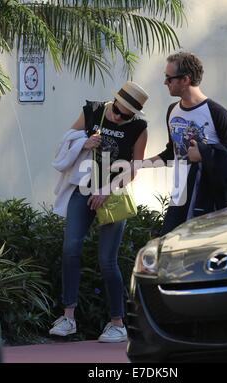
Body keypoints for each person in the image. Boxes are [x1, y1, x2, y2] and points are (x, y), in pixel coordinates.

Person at [50, 81, 149, 342]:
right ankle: (68, 317)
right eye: (117, 111)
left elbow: (134, 168)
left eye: (126, 116)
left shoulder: (139, 128)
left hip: (113, 195)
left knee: (107, 260)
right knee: (70, 248)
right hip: (82, 189)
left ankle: (117, 322)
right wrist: (84, 143)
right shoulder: (93, 111)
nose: (119, 117)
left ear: (134, 115)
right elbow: (66, 140)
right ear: (113, 103)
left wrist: (107, 189)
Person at [146, 51, 227, 236]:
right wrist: (136, 166)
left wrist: (205, 152)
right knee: (168, 249)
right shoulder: (172, 111)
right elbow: (172, 153)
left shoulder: (216, 112)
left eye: (169, 78)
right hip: (178, 198)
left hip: (206, 202)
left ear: (185, 80)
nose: (165, 82)